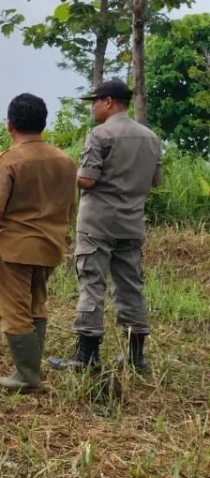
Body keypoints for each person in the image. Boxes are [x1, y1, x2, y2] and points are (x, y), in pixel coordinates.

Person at [49, 80, 163, 374]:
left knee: (91, 284)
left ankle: (86, 356)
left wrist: (66, 173)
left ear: (109, 101)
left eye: (95, 101)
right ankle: (137, 358)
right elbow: (155, 181)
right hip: (131, 224)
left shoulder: (100, 134)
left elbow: (87, 179)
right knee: (130, 288)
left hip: (98, 223)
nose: (93, 107)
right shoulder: (150, 138)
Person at [0, 94, 76, 391]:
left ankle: (26, 376)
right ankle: (30, 370)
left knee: (14, 309)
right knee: (36, 304)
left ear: (10, 124)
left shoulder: (10, 159)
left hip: (15, 247)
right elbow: (70, 206)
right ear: (43, 123)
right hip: (51, 244)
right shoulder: (65, 160)